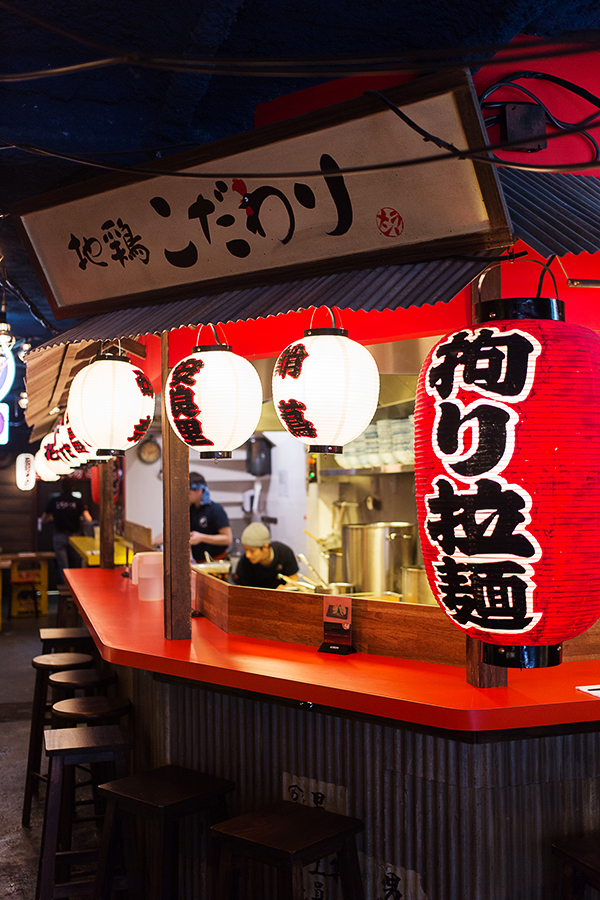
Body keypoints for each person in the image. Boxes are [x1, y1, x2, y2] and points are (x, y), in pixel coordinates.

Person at [41, 476, 92, 585]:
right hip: (75, 537)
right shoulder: (77, 501)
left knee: (63, 566)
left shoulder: (54, 501)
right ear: (72, 488)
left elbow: (43, 519)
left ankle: (66, 588)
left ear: (61, 487)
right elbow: (88, 518)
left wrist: (54, 517)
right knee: (75, 564)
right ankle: (76, 588)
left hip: (59, 536)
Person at [233, 522, 299, 590]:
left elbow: (294, 580)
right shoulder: (244, 563)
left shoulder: (284, 553)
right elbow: (240, 591)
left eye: (252, 551)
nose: (248, 555)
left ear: (265, 547)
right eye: (245, 550)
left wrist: (286, 589)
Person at [189, 472, 232, 562]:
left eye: (188, 492)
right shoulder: (190, 510)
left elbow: (227, 539)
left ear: (199, 490)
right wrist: (152, 542)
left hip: (218, 562)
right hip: (199, 563)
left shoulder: (215, 510)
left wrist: (201, 538)